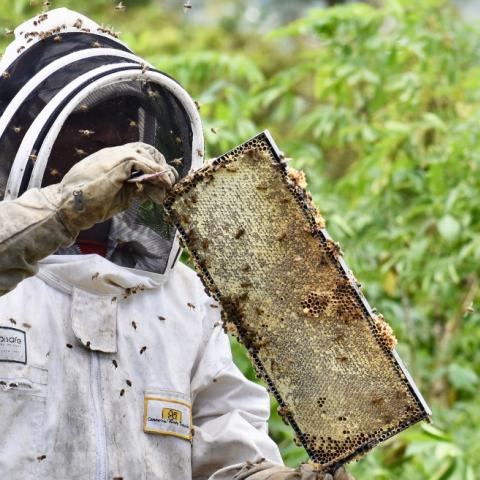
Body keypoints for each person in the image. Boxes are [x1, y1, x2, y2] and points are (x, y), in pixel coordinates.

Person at [0, 8, 353, 480]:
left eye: (125, 118)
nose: (111, 137)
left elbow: (227, 448)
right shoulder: (12, 285)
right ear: (28, 132)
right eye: (90, 119)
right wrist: (65, 208)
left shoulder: (185, 299)